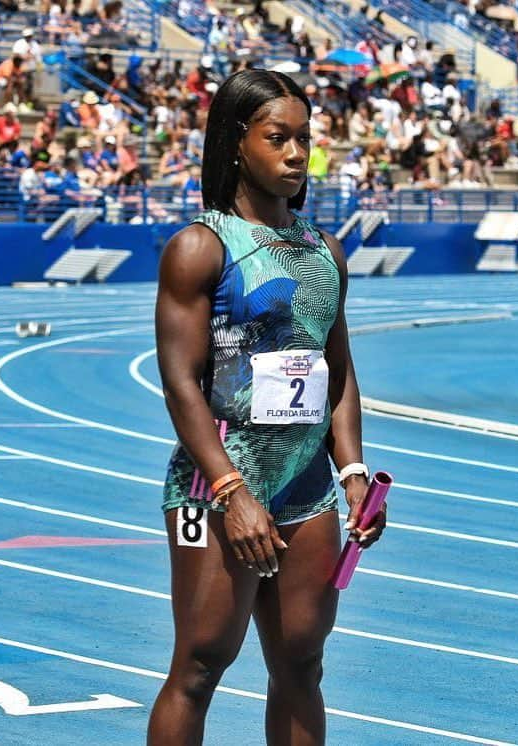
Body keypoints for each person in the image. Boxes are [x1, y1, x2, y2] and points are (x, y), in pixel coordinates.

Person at [148, 69, 385, 745]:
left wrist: (355, 475)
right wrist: (229, 489)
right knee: (200, 664)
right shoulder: (202, 248)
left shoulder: (323, 250)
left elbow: (337, 374)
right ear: (235, 143)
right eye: (277, 137)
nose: (294, 154)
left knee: (302, 664)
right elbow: (180, 383)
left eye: (303, 139)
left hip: (306, 485)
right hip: (217, 484)